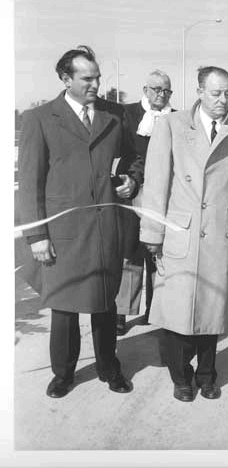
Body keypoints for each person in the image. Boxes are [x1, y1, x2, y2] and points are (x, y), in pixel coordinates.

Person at [18, 45, 143, 398]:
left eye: (97, 77)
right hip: (63, 233)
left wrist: (131, 180)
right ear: (65, 78)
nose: (95, 84)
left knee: (105, 302)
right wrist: (36, 236)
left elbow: (134, 158)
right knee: (65, 307)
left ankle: (109, 367)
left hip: (106, 228)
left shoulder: (115, 114)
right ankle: (64, 374)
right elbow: (29, 185)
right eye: (87, 78)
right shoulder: (39, 119)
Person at [140, 66, 228, 403]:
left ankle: (207, 376)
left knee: (211, 311)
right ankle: (181, 378)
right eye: (216, 93)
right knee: (177, 312)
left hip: (219, 234)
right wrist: (152, 232)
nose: (223, 100)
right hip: (181, 234)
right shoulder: (171, 126)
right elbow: (156, 183)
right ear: (200, 92)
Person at [115, 70, 175, 335]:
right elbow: (117, 153)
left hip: (163, 193)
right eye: (156, 89)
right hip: (131, 189)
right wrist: (126, 181)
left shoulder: (177, 117)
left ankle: (155, 309)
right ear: (145, 89)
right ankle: (121, 312)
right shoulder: (126, 114)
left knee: (157, 250)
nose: (160, 95)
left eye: (166, 91)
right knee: (130, 251)